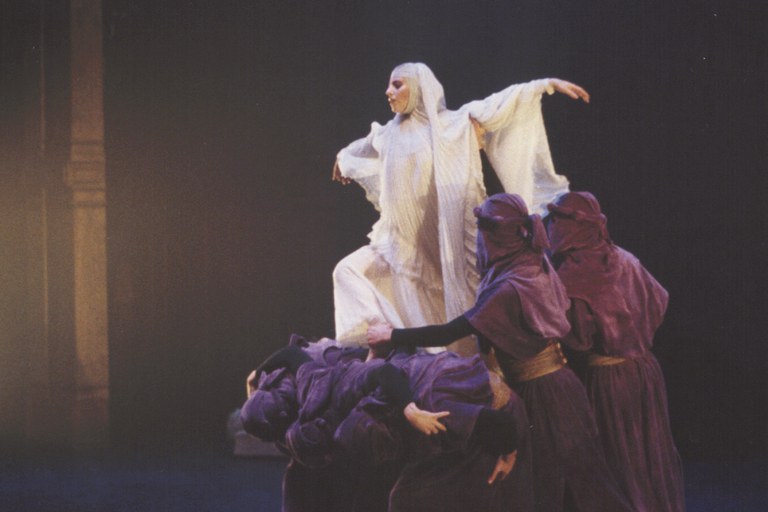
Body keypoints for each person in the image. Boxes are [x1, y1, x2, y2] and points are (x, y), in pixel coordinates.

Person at [368, 193, 634, 512]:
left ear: (493, 236)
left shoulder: (510, 287)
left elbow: (451, 331)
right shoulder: (533, 263)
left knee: (557, 484)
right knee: (562, 482)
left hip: (543, 394)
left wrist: (391, 335)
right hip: (559, 386)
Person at [332, 62, 589, 352]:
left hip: (446, 244)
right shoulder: (385, 135)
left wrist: (545, 85)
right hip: (399, 246)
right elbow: (359, 148)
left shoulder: (452, 124)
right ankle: (383, 337)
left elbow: (499, 104)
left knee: (457, 315)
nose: (388, 91)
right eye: (390, 85)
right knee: (346, 271)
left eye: (397, 84)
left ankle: (447, 354)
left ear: (418, 88)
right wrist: (342, 159)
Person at [241, 335, 532, 512]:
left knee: (409, 499)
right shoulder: (318, 388)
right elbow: (293, 355)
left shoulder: (431, 413)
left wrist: (508, 453)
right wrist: (259, 372)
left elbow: (503, 424)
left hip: (481, 402)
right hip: (393, 385)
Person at [546, 191, 686, 512]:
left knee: (617, 462)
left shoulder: (572, 274)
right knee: (645, 456)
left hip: (608, 379)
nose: (552, 228)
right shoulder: (627, 259)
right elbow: (658, 302)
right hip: (645, 371)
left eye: (557, 221)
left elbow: (576, 338)